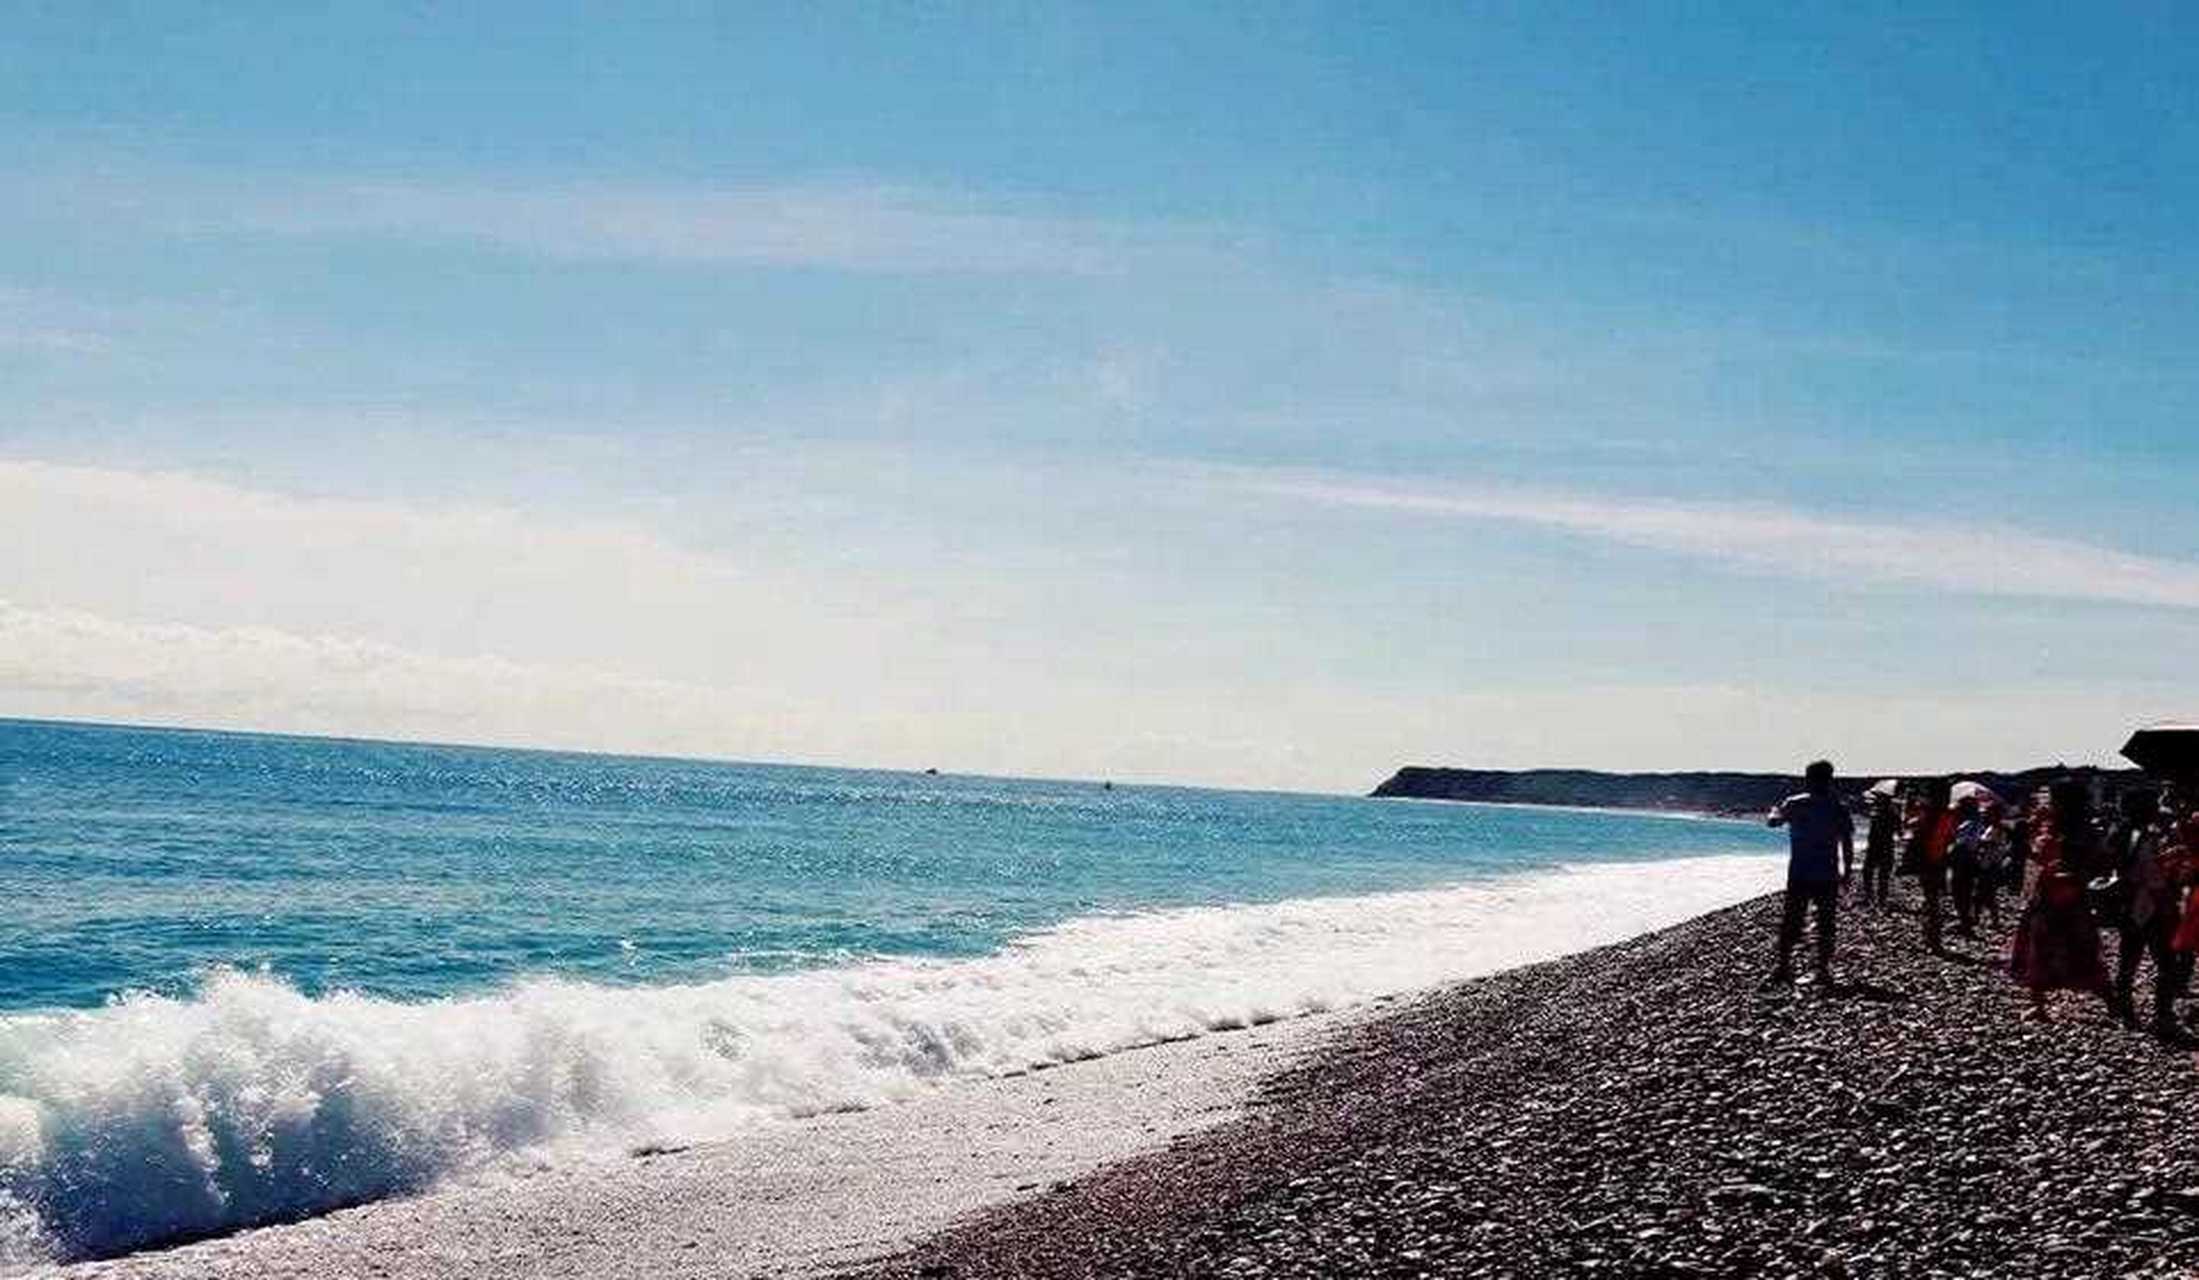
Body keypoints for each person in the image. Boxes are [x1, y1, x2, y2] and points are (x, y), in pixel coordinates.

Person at [2010, 779, 2114, 1021]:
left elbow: (2091, 863)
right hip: (2051, 895)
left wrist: (2068, 870)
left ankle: (2110, 1000)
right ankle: (2040, 1004)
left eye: (2054, 799)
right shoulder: (2058, 826)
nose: (2049, 803)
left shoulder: (2079, 831)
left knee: (2074, 949)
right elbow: (2037, 856)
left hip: (2066, 898)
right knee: (2048, 948)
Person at [1764, 759, 1855, 986]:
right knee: (1826, 922)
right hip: (1828, 873)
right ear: (1830, 779)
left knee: (1792, 920)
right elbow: (1847, 841)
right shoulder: (1838, 806)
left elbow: (1773, 823)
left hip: (1801, 872)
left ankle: (1784, 967)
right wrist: (1848, 872)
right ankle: (1822, 970)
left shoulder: (1795, 803)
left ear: (1808, 779)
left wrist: (1774, 811)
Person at [2111, 789, 2190, 1037]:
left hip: (2136, 906)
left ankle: (2128, 1011)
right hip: (2150, 905)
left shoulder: (2123, 833)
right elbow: (2151, 873)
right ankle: (2162, 1015)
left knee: (2130, 961)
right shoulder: (2142, 835)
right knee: (2164, 962)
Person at [1908, 778, 1958, 954]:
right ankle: (1933, 940)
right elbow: (1951, 838)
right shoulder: (1949, 815)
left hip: (1928, 861)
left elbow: (1915, 831)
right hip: (1941, 860)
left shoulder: (1928, 814)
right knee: (1935, 900)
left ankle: (1932, 940)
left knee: (1931, 901)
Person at [1948, 796, 1988, 937]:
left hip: (1964, 860)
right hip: (1970, 859)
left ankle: (1965, 923)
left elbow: (1961, 842)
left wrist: (1952, 836)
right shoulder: (1977, 822)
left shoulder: (1969, 823)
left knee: (1960, 891)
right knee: (1965, 891)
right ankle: (1965, 922)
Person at [1861, 790, 1900, 908]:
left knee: (1869, 872)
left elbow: (1873, 834)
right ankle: (1879, 898)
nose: (1876, 800)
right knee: (1882, 874)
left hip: (1877, 847)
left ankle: (1871, 896)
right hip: (1887, 847)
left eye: (1878, 798)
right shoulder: (1893, 813)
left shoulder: (1881, 814)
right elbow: (1899, 831)